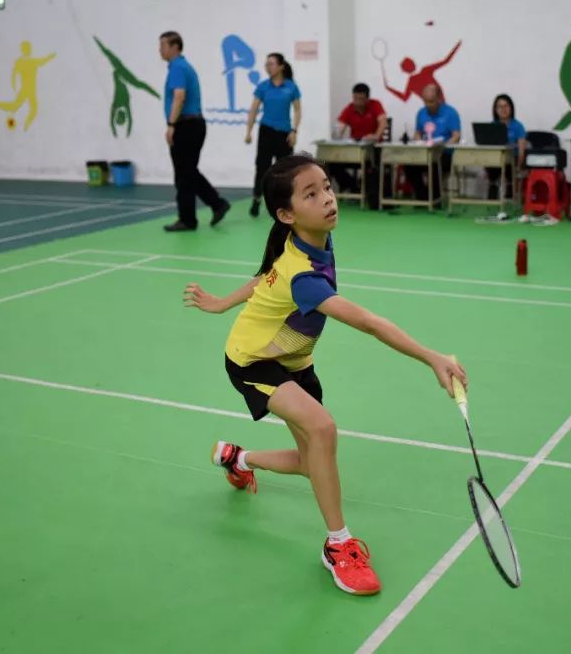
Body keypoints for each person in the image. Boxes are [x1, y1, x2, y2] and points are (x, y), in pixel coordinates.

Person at [182, 154, 467, 596]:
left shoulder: (310, 240)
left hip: (295, 362)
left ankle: (238, 459)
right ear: (287, 214)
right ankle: (339, 545)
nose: (328, 199)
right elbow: (369, 323)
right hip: (253, 361)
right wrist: (431, 356)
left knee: (313, 462)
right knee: (324, 430)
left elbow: (264, 277)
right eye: (311, 194)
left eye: (327, 187)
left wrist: (221, 303)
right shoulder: (305, 277)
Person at [159, 31, 231, 232]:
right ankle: (217, 204)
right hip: (191, 125)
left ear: (175, 47)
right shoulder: (181, 66)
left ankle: (188, 219)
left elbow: (179, 96)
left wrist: (171, 125)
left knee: (184, 174)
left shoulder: (178, 67)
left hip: (186, 125)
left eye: (163, 45)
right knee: (187, 172)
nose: (160, 49)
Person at [245, 53, 302, 217]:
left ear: (281, 66)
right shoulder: (263, 86)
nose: (267, 67)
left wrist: (294, 130)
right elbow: (254, 109)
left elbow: (297, 110)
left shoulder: (291, 87)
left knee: (285, 171)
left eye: (271, 64)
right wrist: (248, 131)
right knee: (262, 167)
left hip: (284, 133)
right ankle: (256, 199)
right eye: (266, 64)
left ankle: (284, 204)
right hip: (266, 132)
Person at [329, 83, 387, 208]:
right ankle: (353, 187)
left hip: (373, 149)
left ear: (367, 98)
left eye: (361, 99)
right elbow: (340, 127)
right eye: (355, 99)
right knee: (331, 164)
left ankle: (372, 196)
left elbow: (383, 122)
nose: (357, 102)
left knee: (374, 165)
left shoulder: (375, 105)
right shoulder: (349, 108)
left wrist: (376, 136)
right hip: (355, 149)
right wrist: (337, 132)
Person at [407, 84, 460, 201]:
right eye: (425, 102)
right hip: (425, 152)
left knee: (436, 164)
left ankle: (435, 197)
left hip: (444, 153)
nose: (428, 105)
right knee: (408, 164)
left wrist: (445, 145)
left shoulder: (451, 112)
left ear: (439, 99)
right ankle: (422, 195)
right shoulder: (421, 112)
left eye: (431, 102)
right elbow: (417, 132)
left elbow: (456, 135)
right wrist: (419, 141)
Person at [487, 94, 527, 199]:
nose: (503, 109)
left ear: (511, 108)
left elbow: (521, 150)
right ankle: (492, 199)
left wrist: (519, 166)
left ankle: (509, 200)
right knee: (491, 168)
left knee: (509, 170)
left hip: (512, 160)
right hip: (495, 160)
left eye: (506, 106)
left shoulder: (518, 126)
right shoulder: (492, 125)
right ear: (495, 109)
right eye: (500, 107)